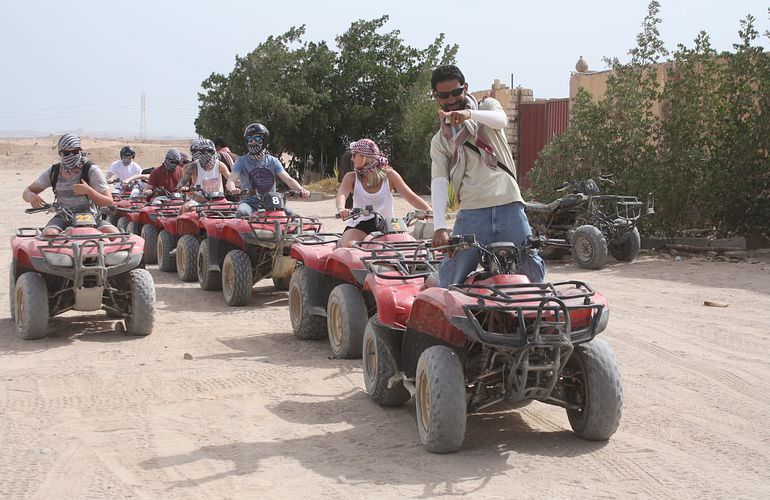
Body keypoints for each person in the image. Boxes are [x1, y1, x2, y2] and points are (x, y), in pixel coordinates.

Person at [428, 64, 544, 286]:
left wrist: (469, 114)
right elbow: (439, 181)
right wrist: (440, 227)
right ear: (436, 97)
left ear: (465, 89)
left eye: (456, 92)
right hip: (472, 213)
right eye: (444, 95)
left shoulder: (487, 108)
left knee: (531, 269)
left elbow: (501, 120)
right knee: (453, 277)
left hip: (509, 204)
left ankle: (536, 320)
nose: (451, 99)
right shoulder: (440, 141)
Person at [335, 138, 432, 248]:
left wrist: (429, 211)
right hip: (360, 225)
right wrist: (341, 209)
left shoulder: (390, 175)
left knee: (410, 247)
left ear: (364, 157)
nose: (352, 159)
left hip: (388, 226)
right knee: (349, 246)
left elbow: (410, 196)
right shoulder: (351, 177)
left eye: (354, 155)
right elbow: (342, 194)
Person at [22, 133, 117, 236]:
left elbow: (109, 202)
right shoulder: (54, 171)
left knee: (114, 234)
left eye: (75, 151)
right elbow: (27, 191)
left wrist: (89, 191)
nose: (72, 155)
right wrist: (31, 196)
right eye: (67, 153)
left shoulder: (91, 170)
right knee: (50, 234)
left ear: (80, 151)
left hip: (90, 217)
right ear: (60, 153)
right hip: (63, 217)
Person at [228, 122, 310, 217]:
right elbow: (231, 180)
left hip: (271, 202)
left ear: (264, 140)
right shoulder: (241, 161)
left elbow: (288, 179)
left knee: (292, 215)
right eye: (249, 139)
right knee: (243, 213)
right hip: (249, 202)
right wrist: (233, 189)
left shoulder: (273, 161)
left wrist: (302, 190)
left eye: (257, 138)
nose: (253, 142)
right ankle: (245, 232)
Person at [179, 138, 236, 212]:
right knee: (187, 207)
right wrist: (186, 189)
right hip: (198, 201)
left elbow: (230, 179)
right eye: (203, 152)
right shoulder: (192, 167)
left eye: (210, 151)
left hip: (218, 200)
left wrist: (233, 189)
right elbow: (183, 186)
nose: (207, 154)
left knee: (237, 208)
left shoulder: (220, 165)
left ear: (214, 151)